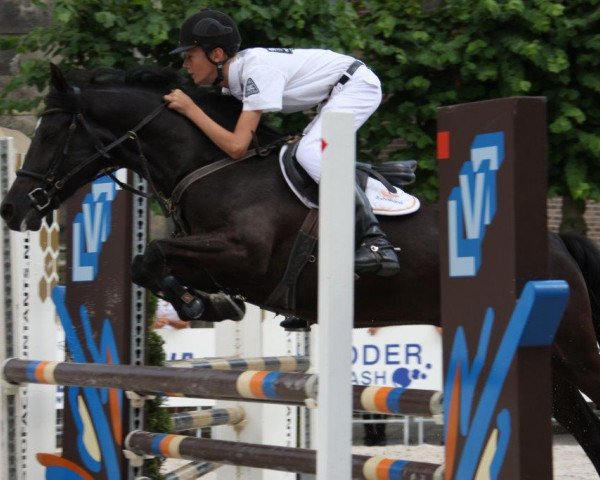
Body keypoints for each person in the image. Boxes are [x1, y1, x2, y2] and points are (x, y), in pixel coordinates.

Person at [164, 9, 399, 277]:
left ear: (216, 55)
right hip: (335, 94)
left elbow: (237, 147)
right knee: (298, 153)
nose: (185, 64)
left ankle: (377, 242)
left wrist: (191, 110)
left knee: (310, 154)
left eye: (189, 55)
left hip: (357, 86)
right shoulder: (235, 80)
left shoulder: (255, 71)